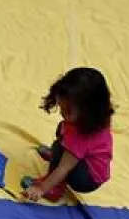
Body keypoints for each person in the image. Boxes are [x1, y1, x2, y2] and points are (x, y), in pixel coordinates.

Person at [23, 68, 115, 203]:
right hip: (94, 168)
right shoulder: (97, 116)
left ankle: (56, 188)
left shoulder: (81, 136)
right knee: (62, 129)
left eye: (67, 111)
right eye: (61, 109)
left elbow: (64, 168)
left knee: (59, 149)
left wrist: (42, 188)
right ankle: (58, 158)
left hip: (86, 179)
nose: (62, 114)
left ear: (87, 111)